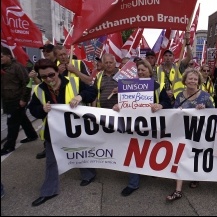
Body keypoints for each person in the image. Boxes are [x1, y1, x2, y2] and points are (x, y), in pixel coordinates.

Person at [27, 59, 98, 207]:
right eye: (44, 77)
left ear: (57, 71)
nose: (48, 79)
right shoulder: (39, 89)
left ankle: (89, 174)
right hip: (53, 132)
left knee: (79, 153)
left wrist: (80, 96)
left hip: (75, 130)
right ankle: (49, 191)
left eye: (51, 75)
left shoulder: (73, 82)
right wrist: (42, 110)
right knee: (51, 162)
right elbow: (33, 109)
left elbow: (92, 91)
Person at [113, 59, 172, 196]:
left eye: (143, 69)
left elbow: (167, 103)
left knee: (150, 151)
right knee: (134, 152)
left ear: (149, 71)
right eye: (138, 70)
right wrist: (118, 106)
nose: (140, 72)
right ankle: (133, 184)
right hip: (134, 125)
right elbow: (123, 104)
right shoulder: (128, 85)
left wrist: (161, 105)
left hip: (152, 126)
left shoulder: (158, 85)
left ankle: (149, 171)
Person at [166, 68, 214, 201]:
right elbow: (174, 111)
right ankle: (178, 190)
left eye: (195, 79)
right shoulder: (180, 95)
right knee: (179, 158)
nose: (192, 81)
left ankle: (195, 177)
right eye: (190, 79)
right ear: (185, 81)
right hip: (183, 132)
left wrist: (204, 110)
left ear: (198, 81)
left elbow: (213, 113)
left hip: (199, 133)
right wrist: (178, 110)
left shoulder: (205, 96)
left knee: (196, 157)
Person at [1, 47, 38, 156]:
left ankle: (9, 146)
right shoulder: (3, 68)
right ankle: (32, 135)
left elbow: (27, 83)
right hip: (7, 100)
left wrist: (24, 99)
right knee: (22, 118)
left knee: (12, 123)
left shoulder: (17, 67)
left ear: (8, 56)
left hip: (16, 100)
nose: (0, 59)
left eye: (1, 57)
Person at [156, 31, 192, 105]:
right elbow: (155, 85)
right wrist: (165, 93)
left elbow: (189, 57)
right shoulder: (157, 69)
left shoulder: (178, 66)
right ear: (163, 58)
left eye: (170, 55)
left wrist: (187, 43)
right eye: (166, 55)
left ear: (173, 57)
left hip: (178, 100)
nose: (168, 57)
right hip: (163, 100)